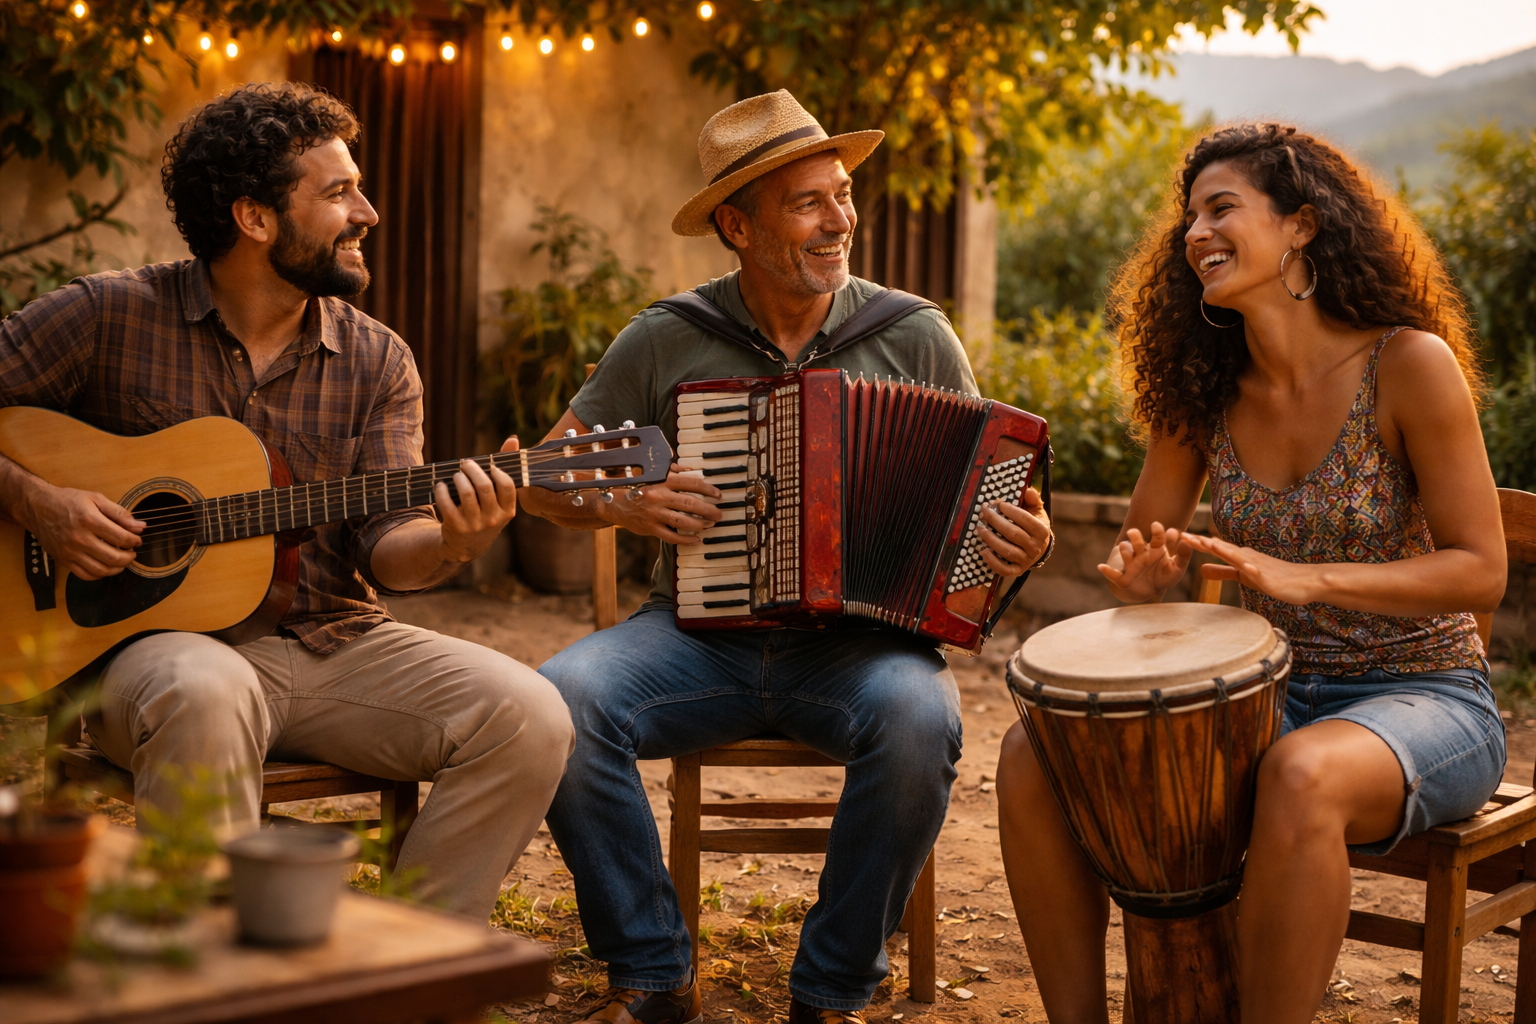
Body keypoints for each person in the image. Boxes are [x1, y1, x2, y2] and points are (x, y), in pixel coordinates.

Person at [522, 90, 1053, 1024]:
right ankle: (650, 973)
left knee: (920, 720)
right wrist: (628, 501)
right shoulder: (667, 336)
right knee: (558, 701)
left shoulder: (911, 333)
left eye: (842, 195)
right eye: (808, 202)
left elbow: (984, 507)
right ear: (737, 223)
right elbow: (540, 478)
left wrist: (1017, 545)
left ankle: (831, 992)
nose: (839, 220)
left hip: (859, 650)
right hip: (693, 639)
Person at [0, 83, 573, 921]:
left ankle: (409, 969)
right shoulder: (107, 315)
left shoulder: (378, 361)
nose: (368, 211)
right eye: (339, 193)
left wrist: (455, 539)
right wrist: (40, 501)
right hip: (152, 656)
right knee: (205, 687)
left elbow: (391, 548)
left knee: (529, 715)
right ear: (255, 218)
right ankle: (225, 991)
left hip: (333, 642)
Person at [995, 122, 1507, 1023]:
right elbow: (1140, 551)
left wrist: (1311, 580)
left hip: (1424, 697)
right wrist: (1143, 583)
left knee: (1301, 776)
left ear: (1303, 224)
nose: (1195, 233)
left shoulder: (1408, 364)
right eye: (1189, 216)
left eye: (1221, 208)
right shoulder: (1203, 393)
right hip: (1259, 697)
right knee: (1033, 753)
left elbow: (1480, 572)